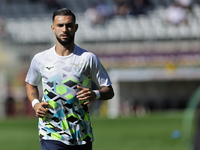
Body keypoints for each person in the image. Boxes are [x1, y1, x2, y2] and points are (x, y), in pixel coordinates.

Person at [25, 8, 114, 150]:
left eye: (69, 25)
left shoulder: (88, 58)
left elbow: (109, 90)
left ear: (75, 27)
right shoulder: (40, 59)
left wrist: (94, 94)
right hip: (51, 132)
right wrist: (35, 103)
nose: (64, 29)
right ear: (53, 28)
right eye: (60, 25)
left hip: (81, 133)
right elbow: (30, 83)